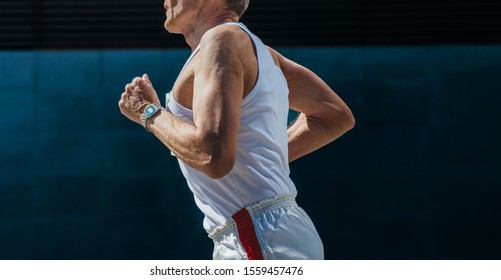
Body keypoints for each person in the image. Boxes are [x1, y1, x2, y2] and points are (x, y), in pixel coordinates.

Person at [118, 0, 355, 260]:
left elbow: (212, 156)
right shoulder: (261, 53)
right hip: (269, 232)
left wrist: (148, 112)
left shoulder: (221, 39)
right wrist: (258, 159)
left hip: (257, 235)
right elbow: (334, 115)